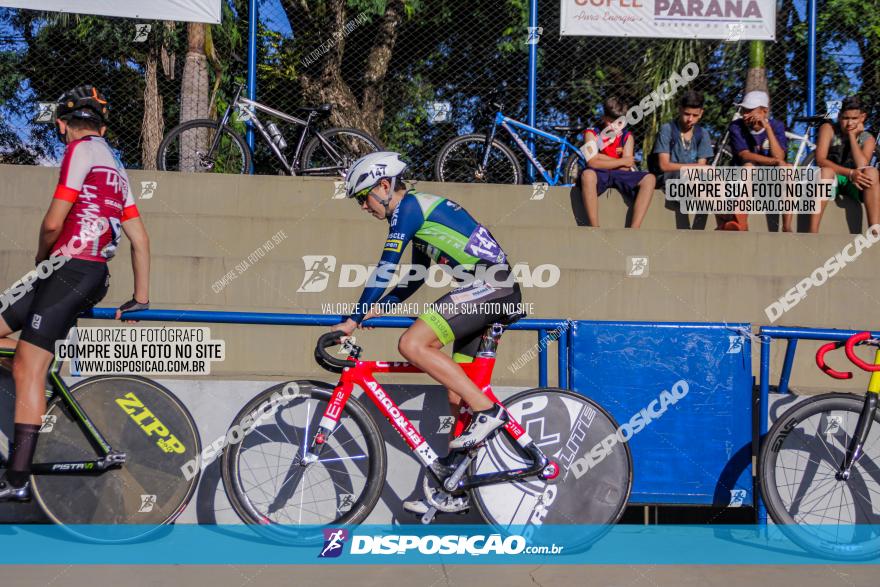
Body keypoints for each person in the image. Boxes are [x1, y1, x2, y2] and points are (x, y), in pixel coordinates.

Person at [331, 151, 521, 515]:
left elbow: (386, 268)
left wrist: (353, 319)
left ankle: (488, 412)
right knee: (457, 392)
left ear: (384, 186)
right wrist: (379, 308)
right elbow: (414, 277)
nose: (363, 207)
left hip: (491, 285)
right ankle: (456, 481)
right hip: (488, 289)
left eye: (363, 197)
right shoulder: (418, 214)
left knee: (412, 343)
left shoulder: (410, 209)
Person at [0, 86, 151, 502]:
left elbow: (53, 222)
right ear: (101, 125)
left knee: (27, 368)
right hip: (86, 272)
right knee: (28, 356)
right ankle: (41, 361)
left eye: (61, 129)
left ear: (64, 125)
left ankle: (15, 482)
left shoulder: (78, 152)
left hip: (68, 270)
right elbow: (140, 239)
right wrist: (140, 298)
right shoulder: (118, 170)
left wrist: (40, 257)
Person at [580, 97, 655, 228]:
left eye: (619, 123)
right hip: (598, 173)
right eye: (610, 122)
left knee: (649, 179)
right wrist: (621, 160)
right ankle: (594, 227)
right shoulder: (591, 133)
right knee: (588, 175)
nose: (614, 127)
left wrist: (601, 158)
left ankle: (634, 228)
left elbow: (626, 167)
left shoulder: (627, 137)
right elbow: (592, 162)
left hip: (618, 175)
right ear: (603, 118)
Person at [810, 95, 879, 233]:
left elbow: (862, 164)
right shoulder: (828, 129)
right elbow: (821, 160)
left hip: (855, 183)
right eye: (845, 118)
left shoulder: (867, 137)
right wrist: (850, 173)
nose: (849, 123)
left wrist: (853, 136)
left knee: (871, 172)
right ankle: (812, 232)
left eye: (854, 119)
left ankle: (874, 232)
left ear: (862, 117)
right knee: (826, 171)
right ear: (839, 116)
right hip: (832, 179)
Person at [724, 90, 790, 231]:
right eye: (744, 110)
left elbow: (780, 157)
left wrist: (768, 128)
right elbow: (745, 155)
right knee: (749, 166)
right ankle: (740, 221)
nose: (745, 115)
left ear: (764, 111)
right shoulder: (736, 126)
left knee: (787, 170)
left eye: (749, 110)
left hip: (770, 179)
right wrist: (774, 162)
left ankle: (787, 226)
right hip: (745, 178)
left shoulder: (777, 125)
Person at [651, 90, 713, 186]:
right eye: (687, 114)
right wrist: (695, 168)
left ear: (701, 113)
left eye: (695, 115)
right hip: (666, 178)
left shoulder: (703, 134)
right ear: (680, 110)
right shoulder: (667, 129)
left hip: (690, 177)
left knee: (717, 178)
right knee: (693, 178)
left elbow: (701, 166)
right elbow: (664, 166)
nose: (690, 119)